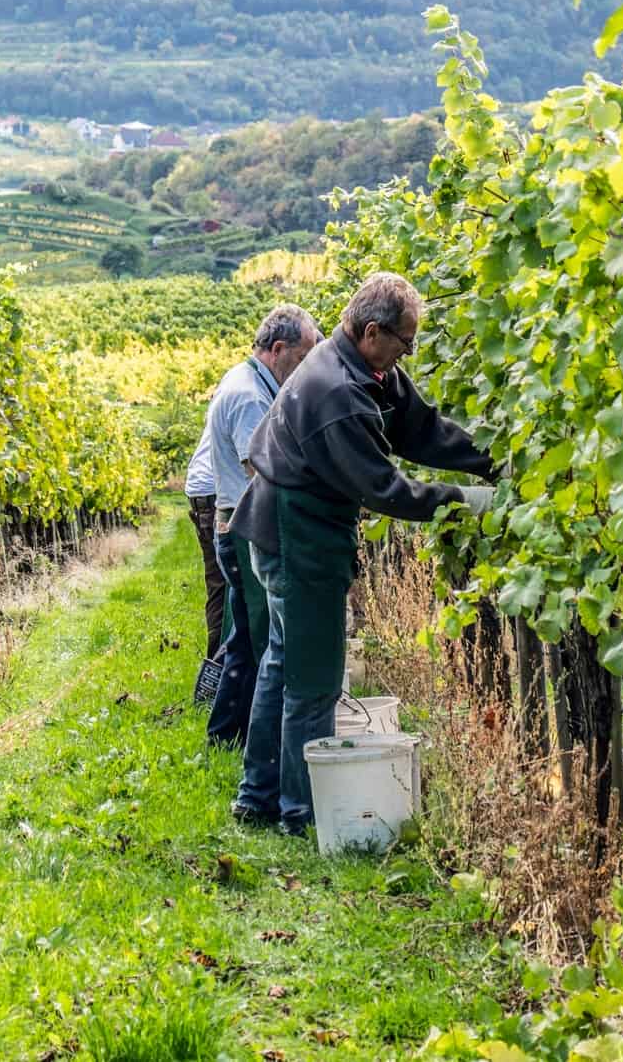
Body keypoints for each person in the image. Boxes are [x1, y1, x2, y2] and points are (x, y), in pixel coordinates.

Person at [228, 273, 496, 833]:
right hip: (297, 537)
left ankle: (259, 797)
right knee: (313, 679)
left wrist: (491, 459)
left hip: (288, 529)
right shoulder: (338, 393)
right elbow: (386, 489)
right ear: (373, 330)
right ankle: (302, 813)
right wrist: (468, 501)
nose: (408, 354)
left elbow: (419, 429)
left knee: (283, 663)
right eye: (405, 342)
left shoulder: (363, 366)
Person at [201, 304, 322, 747]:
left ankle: (225, 734)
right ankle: (254, 740)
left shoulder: (246, 379)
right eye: (306, 354)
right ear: (278, 349)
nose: (310, 365)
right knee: (259, 645)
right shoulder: (251, 396)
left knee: (243, 638)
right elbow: (267, 473)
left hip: (234, 524)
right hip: (246, 530)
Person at [184, 415, 225, 662]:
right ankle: (221, 670)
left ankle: (220, 670)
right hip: (214, 492)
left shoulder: (236, 382)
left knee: (219, 585)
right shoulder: (250, 393)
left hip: (205, 491)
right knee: (227, 585)